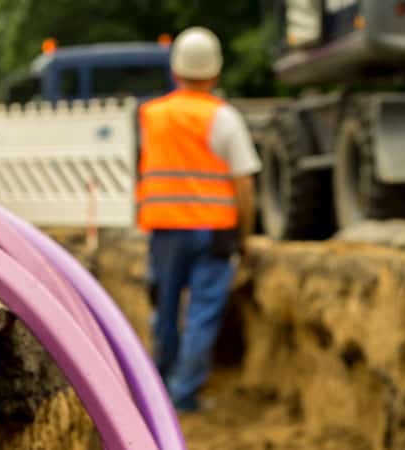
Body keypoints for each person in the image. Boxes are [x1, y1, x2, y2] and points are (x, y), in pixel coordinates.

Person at [137, 27, 261, 412]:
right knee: (203, 314)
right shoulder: (224, 118)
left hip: (165, 228)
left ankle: (159, 389)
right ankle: (183, 395)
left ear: (175, 71)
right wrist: (246, 235)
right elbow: (244, 183)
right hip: (215, 230)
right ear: (215, 73)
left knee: (166, 310)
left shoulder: (152, 116)